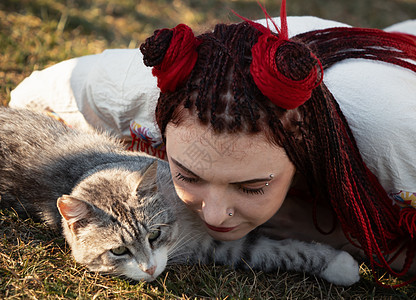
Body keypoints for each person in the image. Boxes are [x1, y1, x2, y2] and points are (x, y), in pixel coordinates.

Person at [9, 1, 416, 286]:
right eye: (188, 175)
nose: (216, 217)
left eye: (252, 185)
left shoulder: (397, 144)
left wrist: (344, 234)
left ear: (305, 146)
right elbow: (26, 100)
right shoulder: (128, 88)